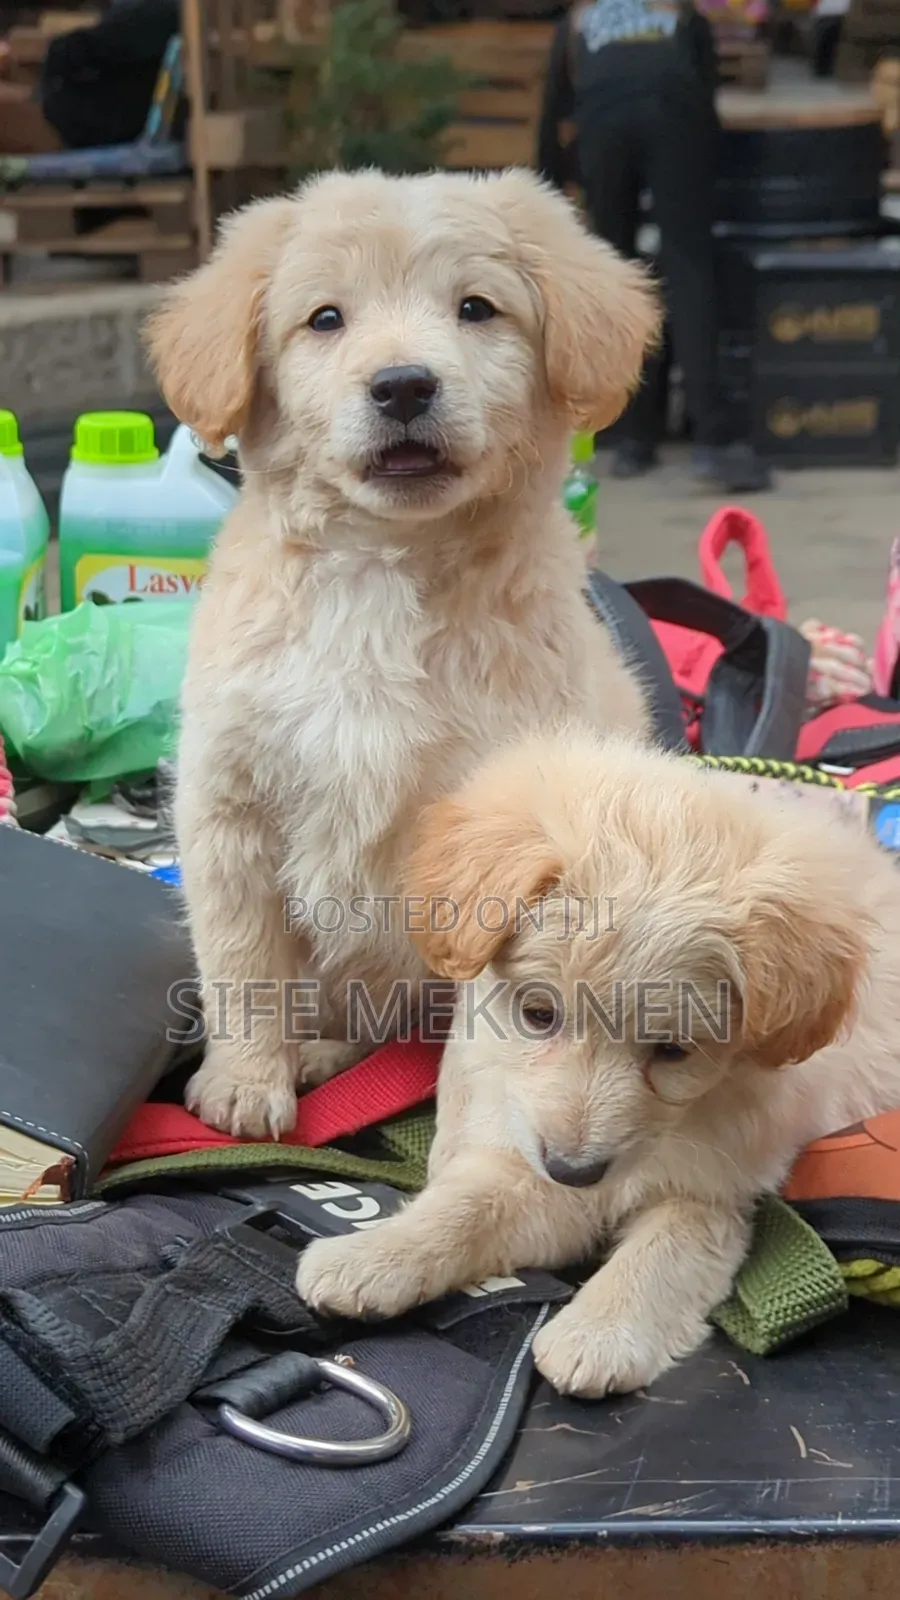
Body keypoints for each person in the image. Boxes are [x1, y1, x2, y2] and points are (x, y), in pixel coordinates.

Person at [537, 0, 771, 492]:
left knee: (616, 273)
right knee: (688, 264)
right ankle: (712, 438)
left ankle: (632, 440)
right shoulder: (684, 16)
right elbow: (705, 98)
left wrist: (550, 190)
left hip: (604, 123)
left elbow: (554, 113)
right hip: (677, 116)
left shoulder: (577, 23)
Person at [0, 0, 178, 155]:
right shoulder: (173, 13)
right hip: (97, 116)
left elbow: (71, 50)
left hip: (83, 127)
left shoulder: (157, 12)